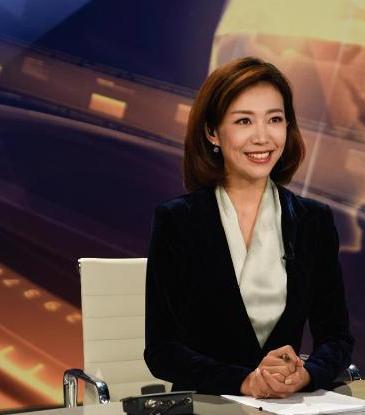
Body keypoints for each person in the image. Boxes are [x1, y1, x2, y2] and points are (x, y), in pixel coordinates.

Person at [144, 56, 354, 398]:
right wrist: (244, 381)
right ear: (212, 132)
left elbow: (337, 338)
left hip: (287, 404)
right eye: (244, 121)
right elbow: (162, 351)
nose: (262, 137)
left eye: (275, 119)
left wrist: (307, 374)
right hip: (209, 403)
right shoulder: (179, 221)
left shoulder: (313, 221)